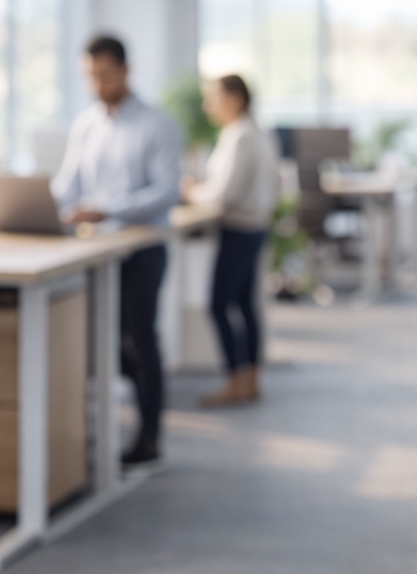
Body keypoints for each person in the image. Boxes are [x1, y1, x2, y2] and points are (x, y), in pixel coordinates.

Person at [51, 34, 182, 465]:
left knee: (139, 340)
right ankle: (86, 434)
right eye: (90, 76)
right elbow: (69, 184)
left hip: (142, 248)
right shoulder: (86, 123)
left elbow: (166, 192)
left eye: (105, 75)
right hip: (98, 250)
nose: (97, 84)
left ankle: (149, 436)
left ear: (125, 71)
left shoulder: (155, 124)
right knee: (98, 342)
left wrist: (104, 209)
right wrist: (45, 204)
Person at [181, 74, 279, 406]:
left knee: (219, 304)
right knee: (243, 306)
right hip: (254, 227)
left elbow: (225, 192)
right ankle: (249, 378)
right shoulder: (256, 132)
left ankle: (236, 378)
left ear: (235, 98)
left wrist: (193, 193)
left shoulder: (240, 137)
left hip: (238, 228)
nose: (209, 105)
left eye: (214, 97)